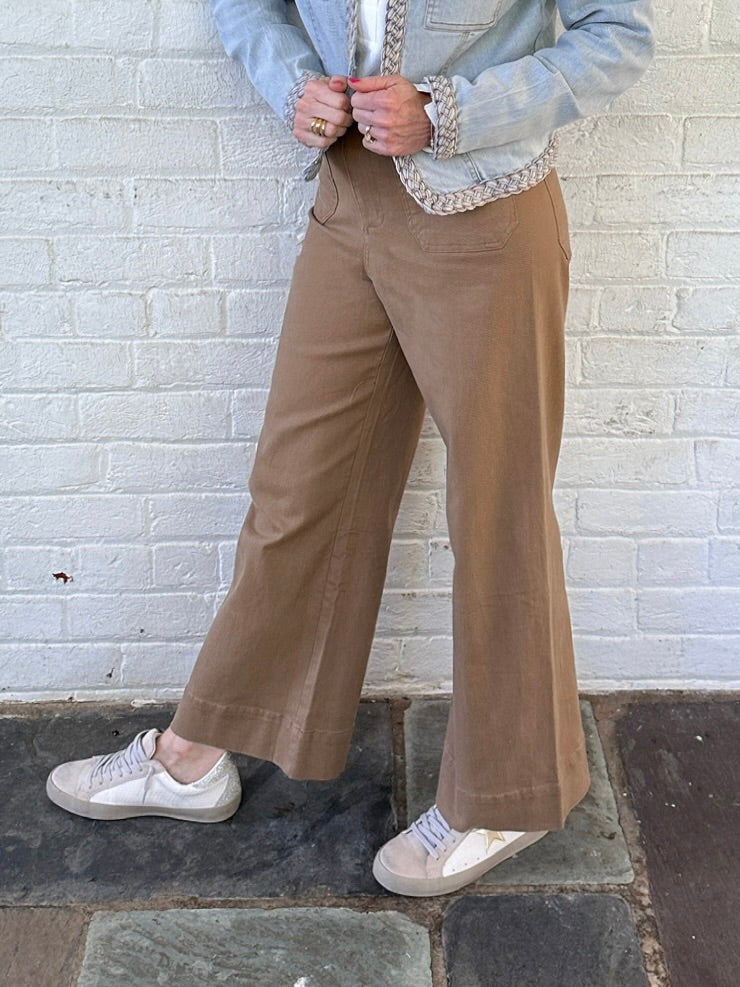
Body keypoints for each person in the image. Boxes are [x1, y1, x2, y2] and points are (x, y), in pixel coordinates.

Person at [46, 0, 655, 897]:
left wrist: (450, 111)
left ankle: (507, 791)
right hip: (347, 200)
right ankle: (193, 754)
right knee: (298, 490)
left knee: (500, 514)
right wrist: (294, 83)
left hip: (485, 215)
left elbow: (621, 36)